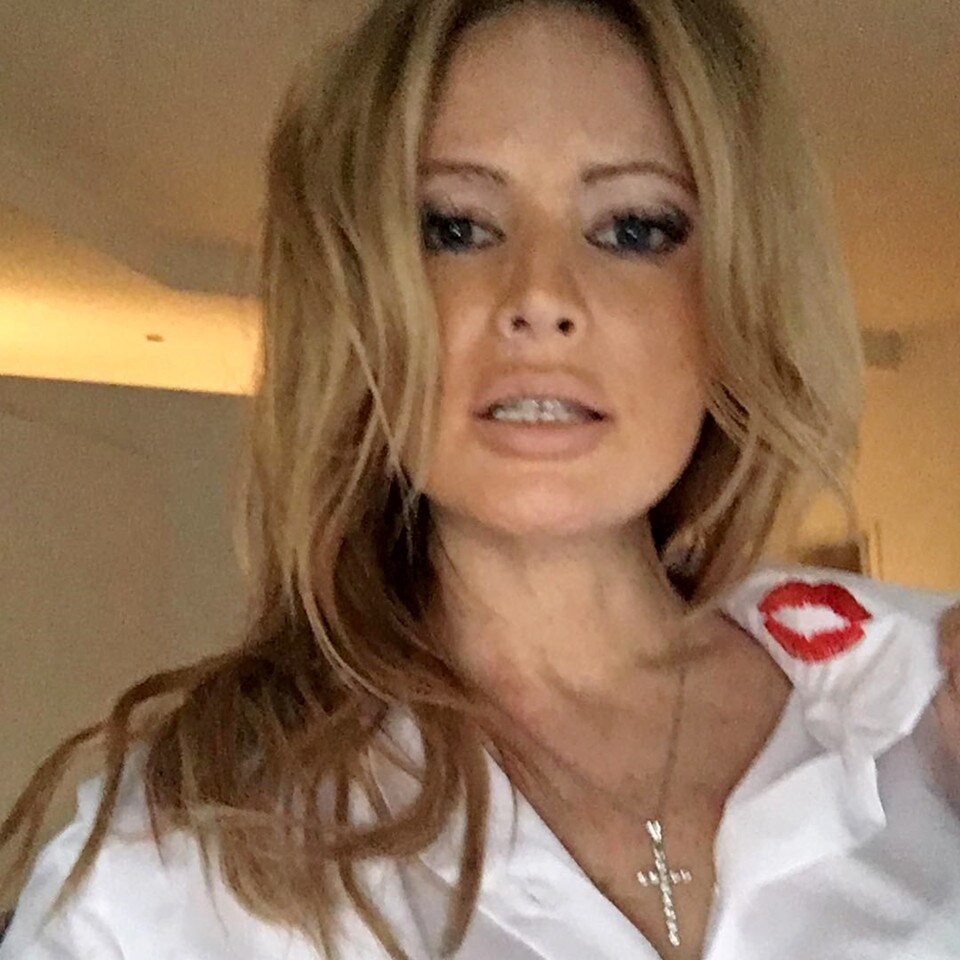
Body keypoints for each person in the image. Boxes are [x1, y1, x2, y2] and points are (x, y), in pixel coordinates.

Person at [2, 0, 959, 957]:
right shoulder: (173, 872)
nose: (540, 297)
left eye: (633, 228)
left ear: (734, 291)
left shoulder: (919, 697)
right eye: (455, 227)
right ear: (357, 302)